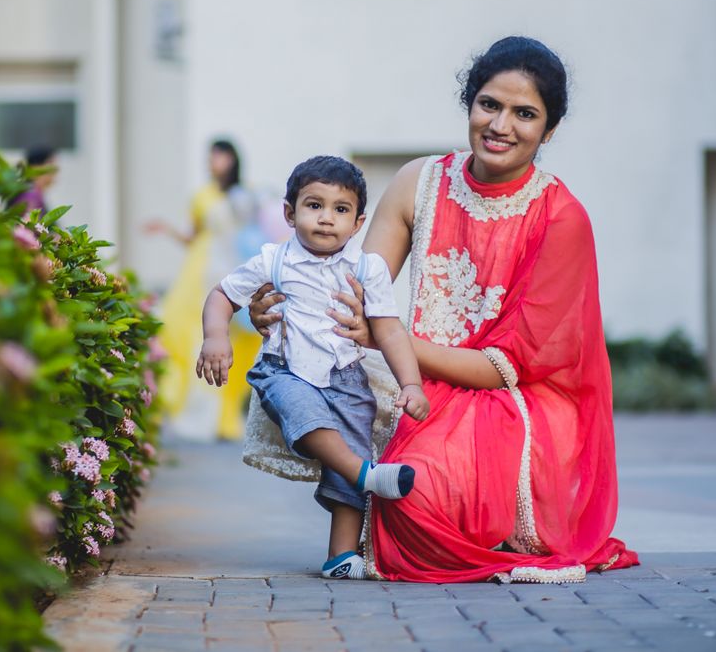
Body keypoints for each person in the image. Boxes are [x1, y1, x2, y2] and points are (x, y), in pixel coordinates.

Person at [247, 36, 639, 583]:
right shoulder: (419, 182)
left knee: (417, 502)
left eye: (525, 114)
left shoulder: (561, 218)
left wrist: (391, 343)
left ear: (549, 131)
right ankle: (357, 525)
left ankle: (478, 509)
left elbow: (506, 366)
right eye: (490, 105)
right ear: (470, 104)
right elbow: (350, 290)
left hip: (514, 399)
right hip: (422, 373)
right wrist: (282, 308)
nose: (501, 124)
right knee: (307, 371)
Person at [198, 155, 430, 580]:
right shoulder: (273, 260)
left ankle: (341, 555)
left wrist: (410, 383)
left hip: (346, 379)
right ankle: (368, 475)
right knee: (305, 413)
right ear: (289, 213)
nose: (327, 219)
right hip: (283, 371)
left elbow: (390, 331)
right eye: (314, 205)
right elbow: (221, 295)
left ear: (358, 222)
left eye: (340, 210)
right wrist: (216, 336)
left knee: (353, 450)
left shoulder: (367, 268)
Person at [147, 140, 264, 441]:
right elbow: (192, 237)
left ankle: (226, 415)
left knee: (240, 342)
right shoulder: (201, 197)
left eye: (221, 155)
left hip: (234, 267)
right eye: (212, 156)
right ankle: (196, 411)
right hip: (200, 270)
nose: (215, 161)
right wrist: (166, 230)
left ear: (233, 158)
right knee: (190, 336)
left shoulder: (246, 193)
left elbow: (252, 234)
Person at [11, 146, 58, 221]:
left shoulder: (33, 193)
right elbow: (27, 226)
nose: (56, 170)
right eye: (51, 163)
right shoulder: (31, 196)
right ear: (35, 167)